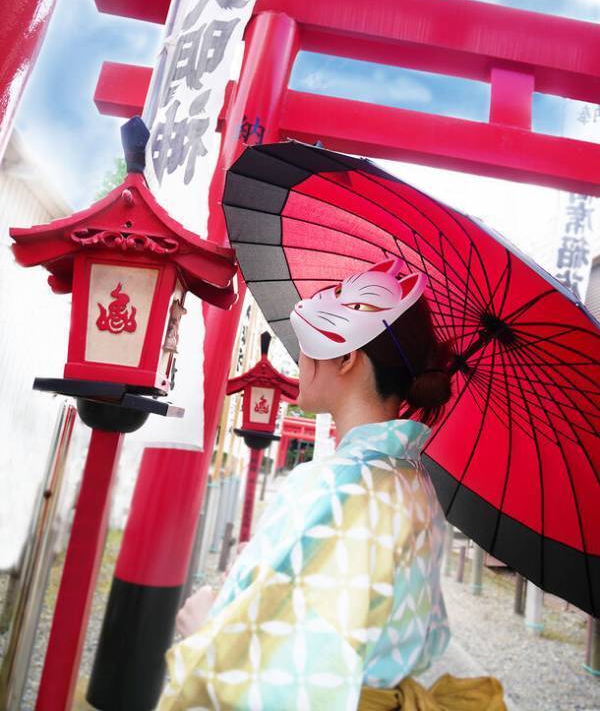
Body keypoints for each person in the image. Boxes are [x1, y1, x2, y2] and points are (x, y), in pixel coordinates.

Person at [157, 257, 505, 710]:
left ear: (345, 357)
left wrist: (206, 628)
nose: (299, 360)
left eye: (306, 345)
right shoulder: (412, 483)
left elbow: (283, 687)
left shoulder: (337, 487)